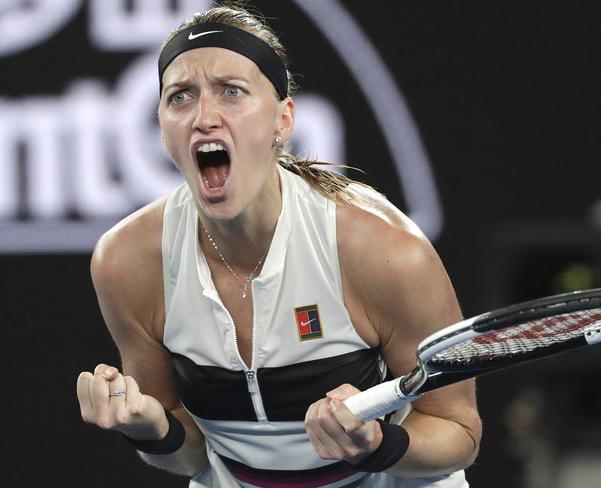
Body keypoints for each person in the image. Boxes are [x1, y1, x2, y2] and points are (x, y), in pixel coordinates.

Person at [76, 3, 482, 487]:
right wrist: (151, 431)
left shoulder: (382, 250)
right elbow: (189, 458)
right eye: (180, 96)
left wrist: (376, 447)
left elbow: (458, 430)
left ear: (282, 121)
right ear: (163, 128)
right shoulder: (126, 262)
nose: (205, 117)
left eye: (231, 92)